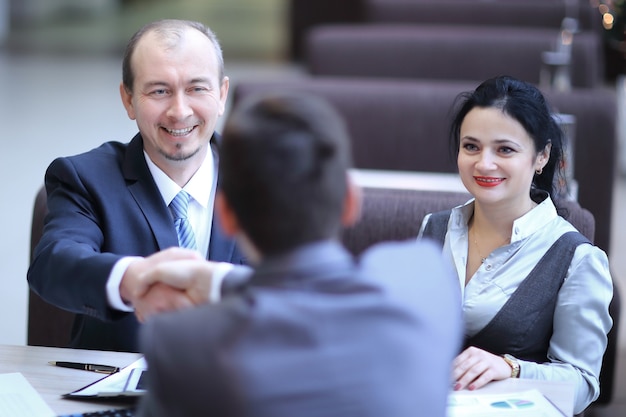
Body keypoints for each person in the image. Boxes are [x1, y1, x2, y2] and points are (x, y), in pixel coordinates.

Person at [134, 92, 463, 417]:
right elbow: (311, 290)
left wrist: (223, 282)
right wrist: (221, 282)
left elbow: (296, 293)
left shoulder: (181, 343)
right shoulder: (427, 280)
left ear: (226, 215)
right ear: (351, 201)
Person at [27, 19, 245, 352]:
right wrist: (133, 279)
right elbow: (53, 264)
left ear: (222, 95)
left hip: (245, 391)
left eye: (197, 88)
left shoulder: (266, 176)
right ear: (128, 100)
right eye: (159, 91)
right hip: (122, 396)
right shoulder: (84, 177)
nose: (179, 111)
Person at [418, 75, 613, 415]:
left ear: (542, 156)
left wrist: (511, 368)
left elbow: (582, 384)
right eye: (471, 146)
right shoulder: (434, 229)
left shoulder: (577, 259)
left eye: (505, 149)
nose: (484, 163)